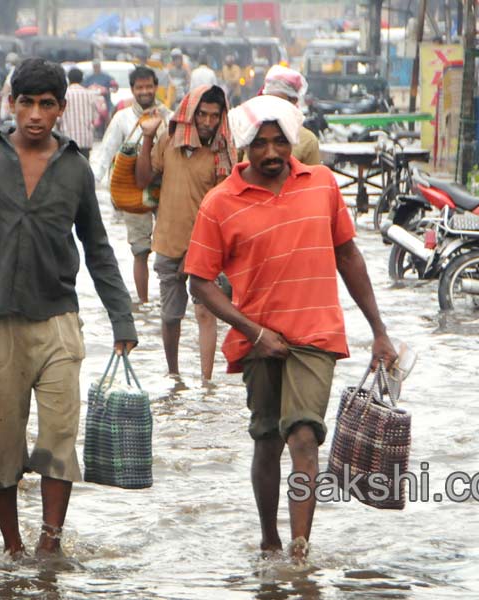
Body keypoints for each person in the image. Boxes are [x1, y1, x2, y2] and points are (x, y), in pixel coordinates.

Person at [0, 57, 138, 559]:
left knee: (60, 437)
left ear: (60, 108)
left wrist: (122, 318)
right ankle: (13, 549)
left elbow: (98, 248)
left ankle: (50, 543)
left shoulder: (76, 168)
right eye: (25, 103)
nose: (34, 115)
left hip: (59, 323)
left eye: (45, 105)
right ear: (11, 104)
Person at [185, 95, 397, 564]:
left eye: (280, 141)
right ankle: (269, 540)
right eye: (260, 144)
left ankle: (300, 552)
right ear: (244, 147)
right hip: (258, 341)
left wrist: (379, 331)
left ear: (293, 141)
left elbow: (348, 256)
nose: (271, 152)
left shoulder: (321, 184)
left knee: (304, 436)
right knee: (266, 441)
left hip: (315, 335)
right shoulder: (220, 203)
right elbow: (199, 280)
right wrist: (254, 331)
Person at [134, 85, 236, 383]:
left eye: (213, 116)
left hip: (206, 248)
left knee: (206, 314)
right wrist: (148, 136)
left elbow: (222, 211)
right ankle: (174, 376)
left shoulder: (222, 152)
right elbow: (143, 179)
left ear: (221, 118)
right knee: (170, 317)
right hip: (167, 241)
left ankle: (206, 381)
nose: (207, 122)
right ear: (191, 114)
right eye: (202, 114)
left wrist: (196, 252)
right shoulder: (168, 140)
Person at [91, 65, 172, 305]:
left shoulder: (168, 116)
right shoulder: (122, 118)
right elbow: (106, 152)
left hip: (164, 189)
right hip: (132, 191)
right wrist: (91, 186)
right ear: (133, 90)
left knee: (169, 248)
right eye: (140, 87)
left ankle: (166, 300)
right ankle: (145, 303)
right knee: (140, 249)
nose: (145, 91)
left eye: (149, 86)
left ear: (156, 87)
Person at [259, 65, 320, 165]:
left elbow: (314, 178)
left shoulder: (307, 141)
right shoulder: (250, 134)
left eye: (277, 101)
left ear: (293, 101)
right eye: (267, 100)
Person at [58, 68, 102, 159]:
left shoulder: (63, 95)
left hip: (67, 140)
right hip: (85, 139)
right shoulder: (90, 94)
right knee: (83, 168)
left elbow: (58, 119)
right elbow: (95, 117)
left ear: (68, 79)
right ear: (82, 79)